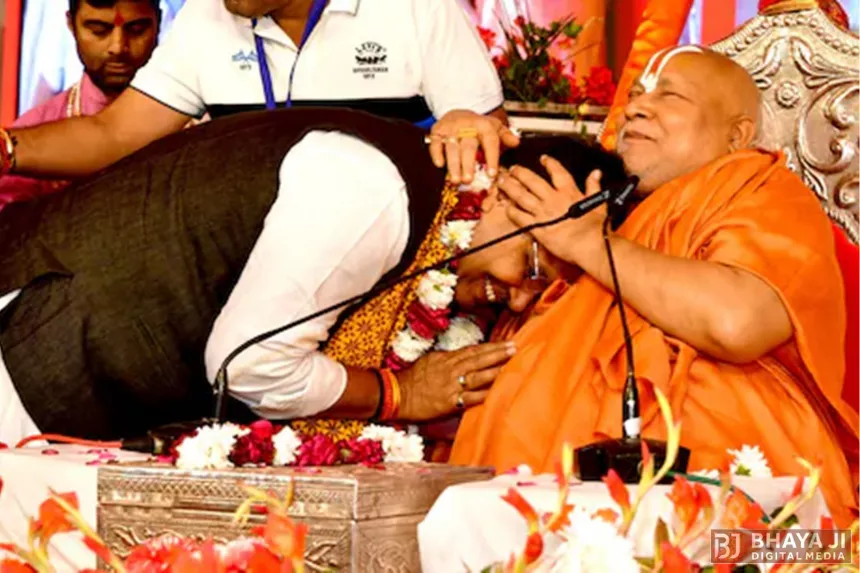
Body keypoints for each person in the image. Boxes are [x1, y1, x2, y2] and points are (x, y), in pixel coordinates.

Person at [0, 107, 625, 447]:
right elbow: (247, 364)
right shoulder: (374, 191)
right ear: (505, 194)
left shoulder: (415, 198)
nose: (515, 295)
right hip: (33, 344)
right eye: (534, 267)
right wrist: (399, 394)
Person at [449, 46, 859, 526]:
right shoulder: (608, 212)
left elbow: (737, 322)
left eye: (671, 95)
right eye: (639, 94)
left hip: (734, 501)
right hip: (557, 503)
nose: (636, 107)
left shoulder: (761, 188)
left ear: (737, 135)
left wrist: (591, 247)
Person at [0, 0, 507, 186]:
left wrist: (463, 121)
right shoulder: (206, 17)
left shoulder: (415, 9)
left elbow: (483, 131)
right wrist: (7, 149)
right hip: (246, 267)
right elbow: (112, 134)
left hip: (390, 266)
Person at [0, 0, 161, 207]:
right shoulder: (27, 138)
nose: (118, 47)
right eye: (99, 30)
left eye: (137, 30)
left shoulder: (195, 117)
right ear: (71, 24)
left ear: (159, 22)